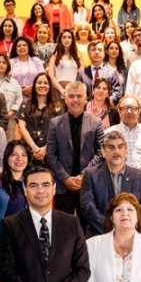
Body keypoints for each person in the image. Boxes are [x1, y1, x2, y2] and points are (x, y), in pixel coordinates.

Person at [46, 81, 104, 227]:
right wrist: (65, 178)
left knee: (88, 227)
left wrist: (83, 176)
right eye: (71, 96)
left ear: (86, 98)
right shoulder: (55, 123)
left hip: (88, 185)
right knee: (62, 228)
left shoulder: (96, 123)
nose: (75, 100)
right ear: (65, 98)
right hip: (62, 186)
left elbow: (100, 152)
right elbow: (51, 155)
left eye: (79, 96)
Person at [80, 130, 141, 238]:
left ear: (126, 150)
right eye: (111, 147)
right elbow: (88, 207)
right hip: (100, 235)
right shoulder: (90, 175)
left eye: (120, 147)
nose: (116, 151)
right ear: (103, 152)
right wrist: (111, 229)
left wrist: (128, 229)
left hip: (133, 236)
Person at [0, 139, 30, 241]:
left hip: (26, 239)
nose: (19, 159)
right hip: (5, 238)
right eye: (14, 154)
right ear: (7, 157)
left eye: (24, 155)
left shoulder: (32, 182)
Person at [105, 96, 141, 177]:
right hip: (117, 183)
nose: (129, 111)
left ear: (139, 112)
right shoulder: (109, 133)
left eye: (133, 108)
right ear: (119, 111)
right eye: (125, 108)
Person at [17, 73, 64, 163]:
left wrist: (45, 149)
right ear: (34, 86)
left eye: (46, 83)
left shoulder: (57, 106)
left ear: (50, 86)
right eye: (39, 82)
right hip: (28, 151)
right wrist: (34, 148)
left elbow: (60, 131)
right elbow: (22, 128)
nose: (42, 85)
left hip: (50, 153)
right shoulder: (25, 104)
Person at [0, 53, 24, 141]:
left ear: (8, 66)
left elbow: (18, 102)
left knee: (10, 151)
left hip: (10, 121)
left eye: (4, 63)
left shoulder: (14, 83)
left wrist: (6, 115)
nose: (1, 65)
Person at [47, 28, 82, 95]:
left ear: (72, 40)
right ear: (60, 39)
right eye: (64, 37)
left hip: (75, 90)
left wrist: (74, 89)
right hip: (58, 89)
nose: (67, 40)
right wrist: (61, 90)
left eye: (69, 37)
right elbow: (51, 75)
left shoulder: (79, 57)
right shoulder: (54, 57)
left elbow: (81, 76)